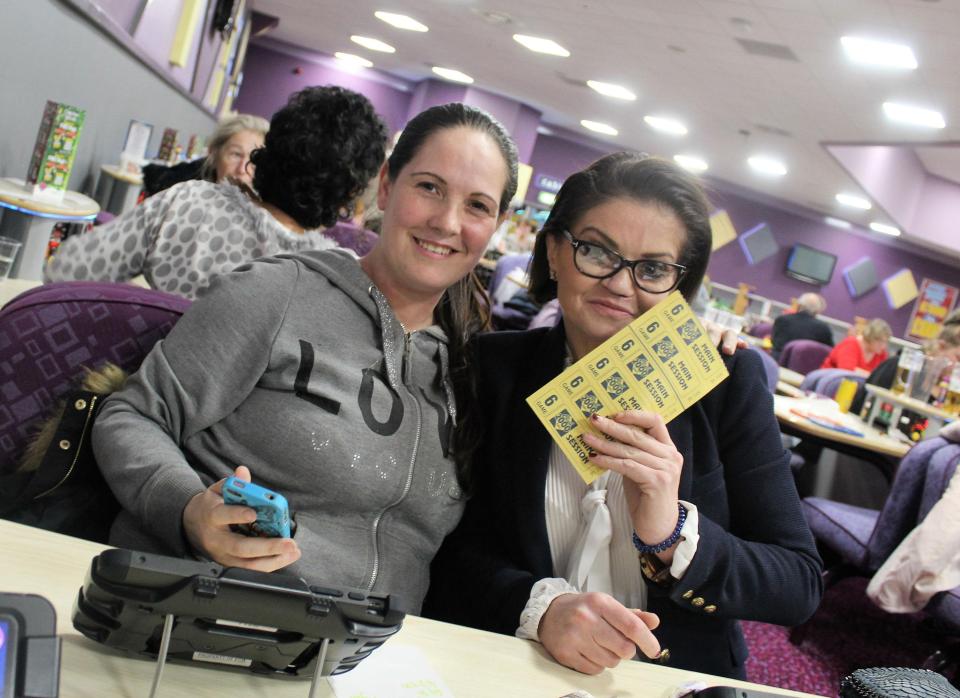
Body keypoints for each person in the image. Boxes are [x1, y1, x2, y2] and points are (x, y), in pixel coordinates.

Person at [91, 103, 520, 614]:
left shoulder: (469, 370)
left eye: (477, 205)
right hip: (208, 617)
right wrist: (186, 509)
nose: (448, 221)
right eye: (429, 187)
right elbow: (132, 414)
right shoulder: (278, 293)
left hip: (369, 662)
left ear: (496, 224)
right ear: (386, 187)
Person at [423, 153, 823, 679]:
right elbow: (448, 544)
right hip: (516, 663)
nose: (619, 283)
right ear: (555, 251)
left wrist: (672, 532)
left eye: (653, 268)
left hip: (670, 677)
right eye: (596, 250)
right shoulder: (490, 369)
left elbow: (798, 582)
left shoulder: (722, 382)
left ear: (679, 286)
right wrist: (537, 607)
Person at [44, 86, 388, 299]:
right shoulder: (329, 278)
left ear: (268, 150)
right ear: (351, 192)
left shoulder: (187, 204)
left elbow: (67, 272)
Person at [141, 113, 270, 196]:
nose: (242, 169)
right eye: (236, 154)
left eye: (255, 160)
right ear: (213, 154)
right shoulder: (185, 191)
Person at [850, 321, 960, 414]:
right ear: (941, 346)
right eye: (958, 358)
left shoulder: (945, 389)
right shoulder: (896, 366)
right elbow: (861, 408)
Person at [770, 292, 833, 360]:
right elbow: (829, 351)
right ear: (818, 310)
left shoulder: (782, 319)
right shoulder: (823, 328)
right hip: (802, 366)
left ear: (799, 305)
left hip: (776, 360)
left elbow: (773, 341)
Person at [821, 318, 891, 373]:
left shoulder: (881, 353)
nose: (883, 346)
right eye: (880, 341)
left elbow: (880, 378)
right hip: (829, 382)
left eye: (885, 342)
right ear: (871, 337)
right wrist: (870, 376)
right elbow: (846, 372)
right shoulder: (850, 344)